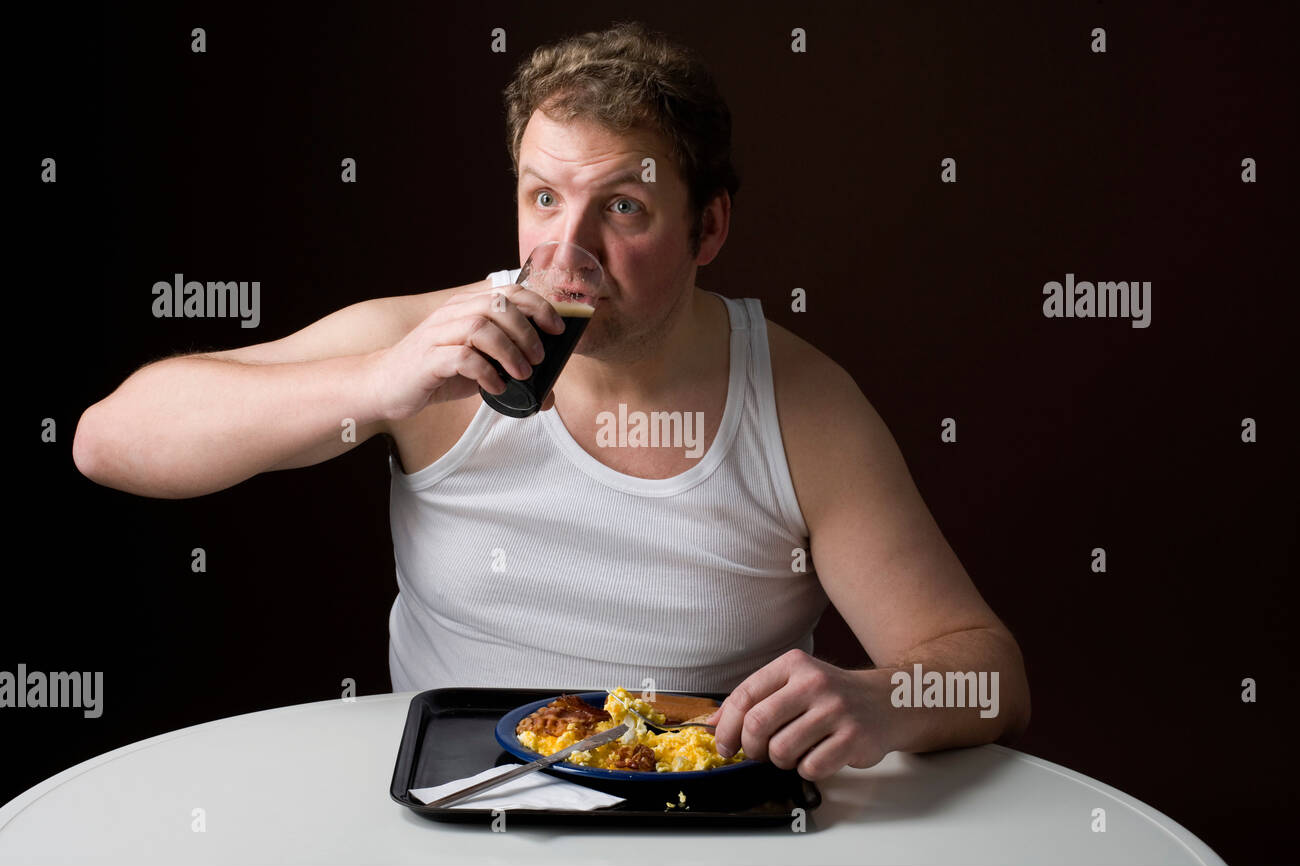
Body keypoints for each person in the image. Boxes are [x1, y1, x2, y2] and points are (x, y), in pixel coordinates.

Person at [72, 21, 1029, 781]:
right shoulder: (429, 347)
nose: (568, 252)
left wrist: (882, 700)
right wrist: (374, 384)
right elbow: (109, 440)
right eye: (542, 200)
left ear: (708, 228)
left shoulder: (801, 405)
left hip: (696, 820)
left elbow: (986, 670)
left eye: (623, 207)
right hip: (451, 807)